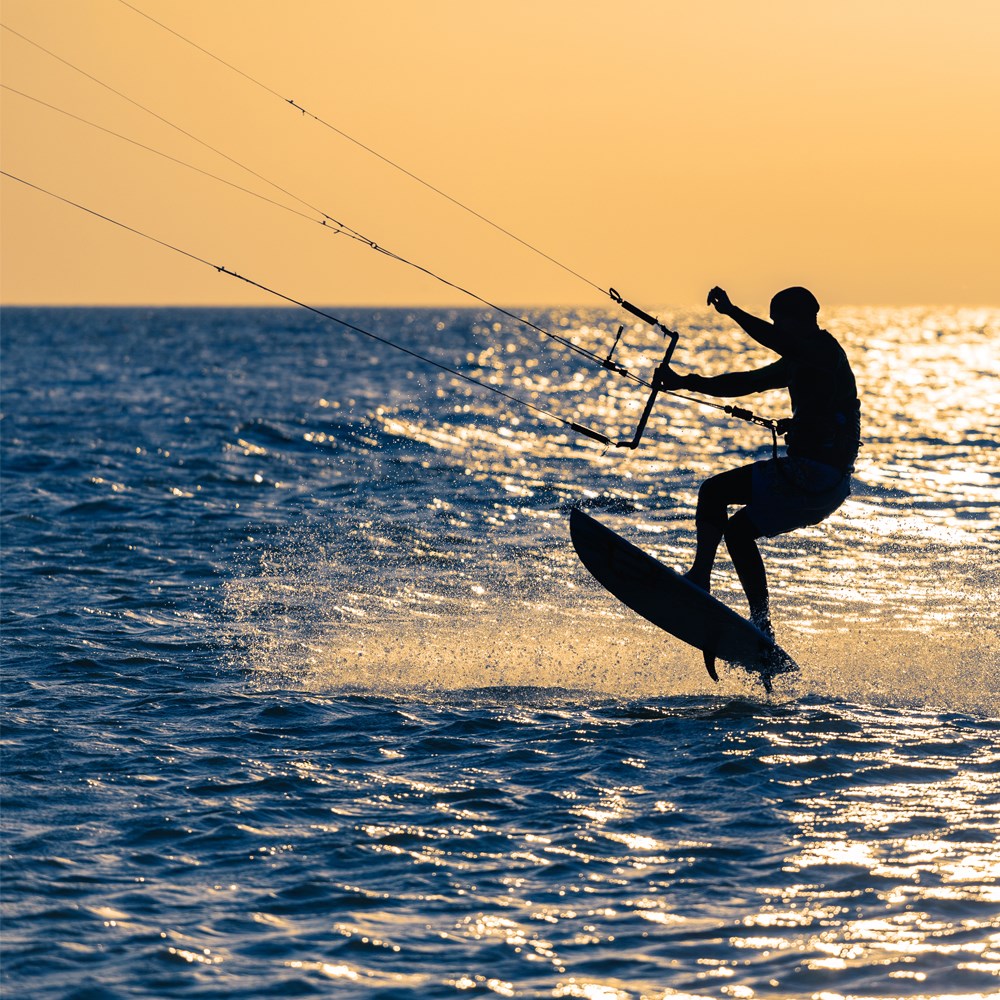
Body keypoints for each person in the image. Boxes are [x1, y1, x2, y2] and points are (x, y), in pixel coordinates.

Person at [654, 286, 861, 681]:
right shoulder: (802, 361)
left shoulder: (822, 351)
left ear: (799, 320)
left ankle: (699, 576)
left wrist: (732, 312)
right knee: (739, 532)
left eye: (779, 321)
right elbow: (745, 382)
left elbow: (775, 340)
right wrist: (687, 382)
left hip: (814, 476)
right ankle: (761, 623)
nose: (775, 329)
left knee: (713, 492)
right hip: (822, 484)